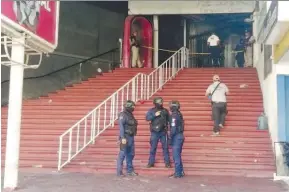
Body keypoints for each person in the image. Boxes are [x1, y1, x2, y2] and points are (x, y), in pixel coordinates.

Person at [146, 97, 171, 168]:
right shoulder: (151, 110)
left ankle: (167, 163)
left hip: (163, 132)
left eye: (161, 102)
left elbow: (169, 120)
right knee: (153, 148)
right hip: (154, 132)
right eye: (159, 103)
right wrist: (154, 115)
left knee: (165, 148)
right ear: (155, 103)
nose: (160, 104)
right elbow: (147, 118)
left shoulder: (165, 111)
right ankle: (151, 163)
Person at [116, 100, 138, 177]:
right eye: (132, 106)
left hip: (131, 137)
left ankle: (130, 170)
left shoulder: (130, 115)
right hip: (125, 137)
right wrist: (122, 138)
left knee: (131, 154)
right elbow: (121, 127)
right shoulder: (123, 115)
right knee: (122, 154)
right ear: (128, 107)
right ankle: (119, 172)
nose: (133, 108)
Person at [168, 101, 185, 178]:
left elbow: (173, 128)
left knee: (176, 156)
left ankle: (178, 173)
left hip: (176, 137)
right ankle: (180, 171)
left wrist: (170, 137)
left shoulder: (174, 116)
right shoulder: (179, 114)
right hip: (180, 136)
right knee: (178, 155)